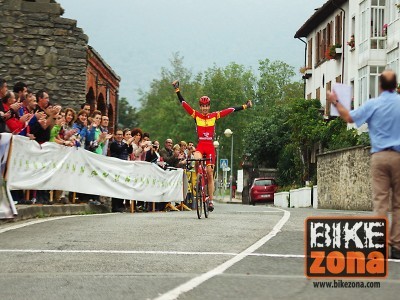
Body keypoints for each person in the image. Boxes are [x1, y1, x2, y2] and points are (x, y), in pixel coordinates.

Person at [327, 69, 400, 259]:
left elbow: (350, 117)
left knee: (380, 202)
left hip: (379, 156)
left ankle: (379, 244)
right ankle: (397, 245)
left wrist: (335, 101)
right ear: (395, 85)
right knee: (399, 204)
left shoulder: (373, 104)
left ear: (380, 85)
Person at [172, 80, 252, 211]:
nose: (204, 108)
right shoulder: (196, 115)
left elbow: (230, 110)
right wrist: (177, 90)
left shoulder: (214, 116)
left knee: (209, 173)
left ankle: (210, 201)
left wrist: (245, 106)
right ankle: (198, 175)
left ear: (209, 106)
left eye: (206, 106)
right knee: (197, 159)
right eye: (202, 106)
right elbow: (184, 104)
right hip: (200, 146)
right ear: (200, 107)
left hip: (209, 147)